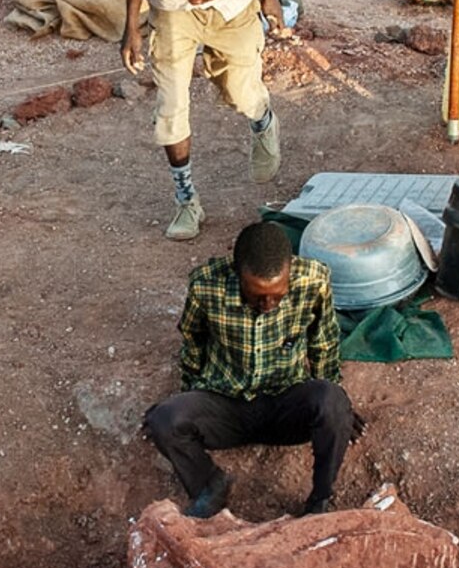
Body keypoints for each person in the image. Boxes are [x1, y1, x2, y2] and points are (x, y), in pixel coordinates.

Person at [144, 220, 357, 519]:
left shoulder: (314, 282)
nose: (268, 304)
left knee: (333, 401)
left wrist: (339, 411)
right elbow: (193, 341)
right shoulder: (206, 286)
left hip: (286, 405)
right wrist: (186, 399)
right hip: (227, 405)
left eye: (277, 295)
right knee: (164, 419)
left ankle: (320, 501)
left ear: (290, 272)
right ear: (236, 275)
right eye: (257, 296)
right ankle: (210, 485)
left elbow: (323, 344)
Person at [121, 0, 283, 241]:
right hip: (172, 10)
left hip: (234, 10)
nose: (196, 1)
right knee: (171, 108)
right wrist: (131, 25)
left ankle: (263, 121)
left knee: (242, 93)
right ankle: (186, 201)